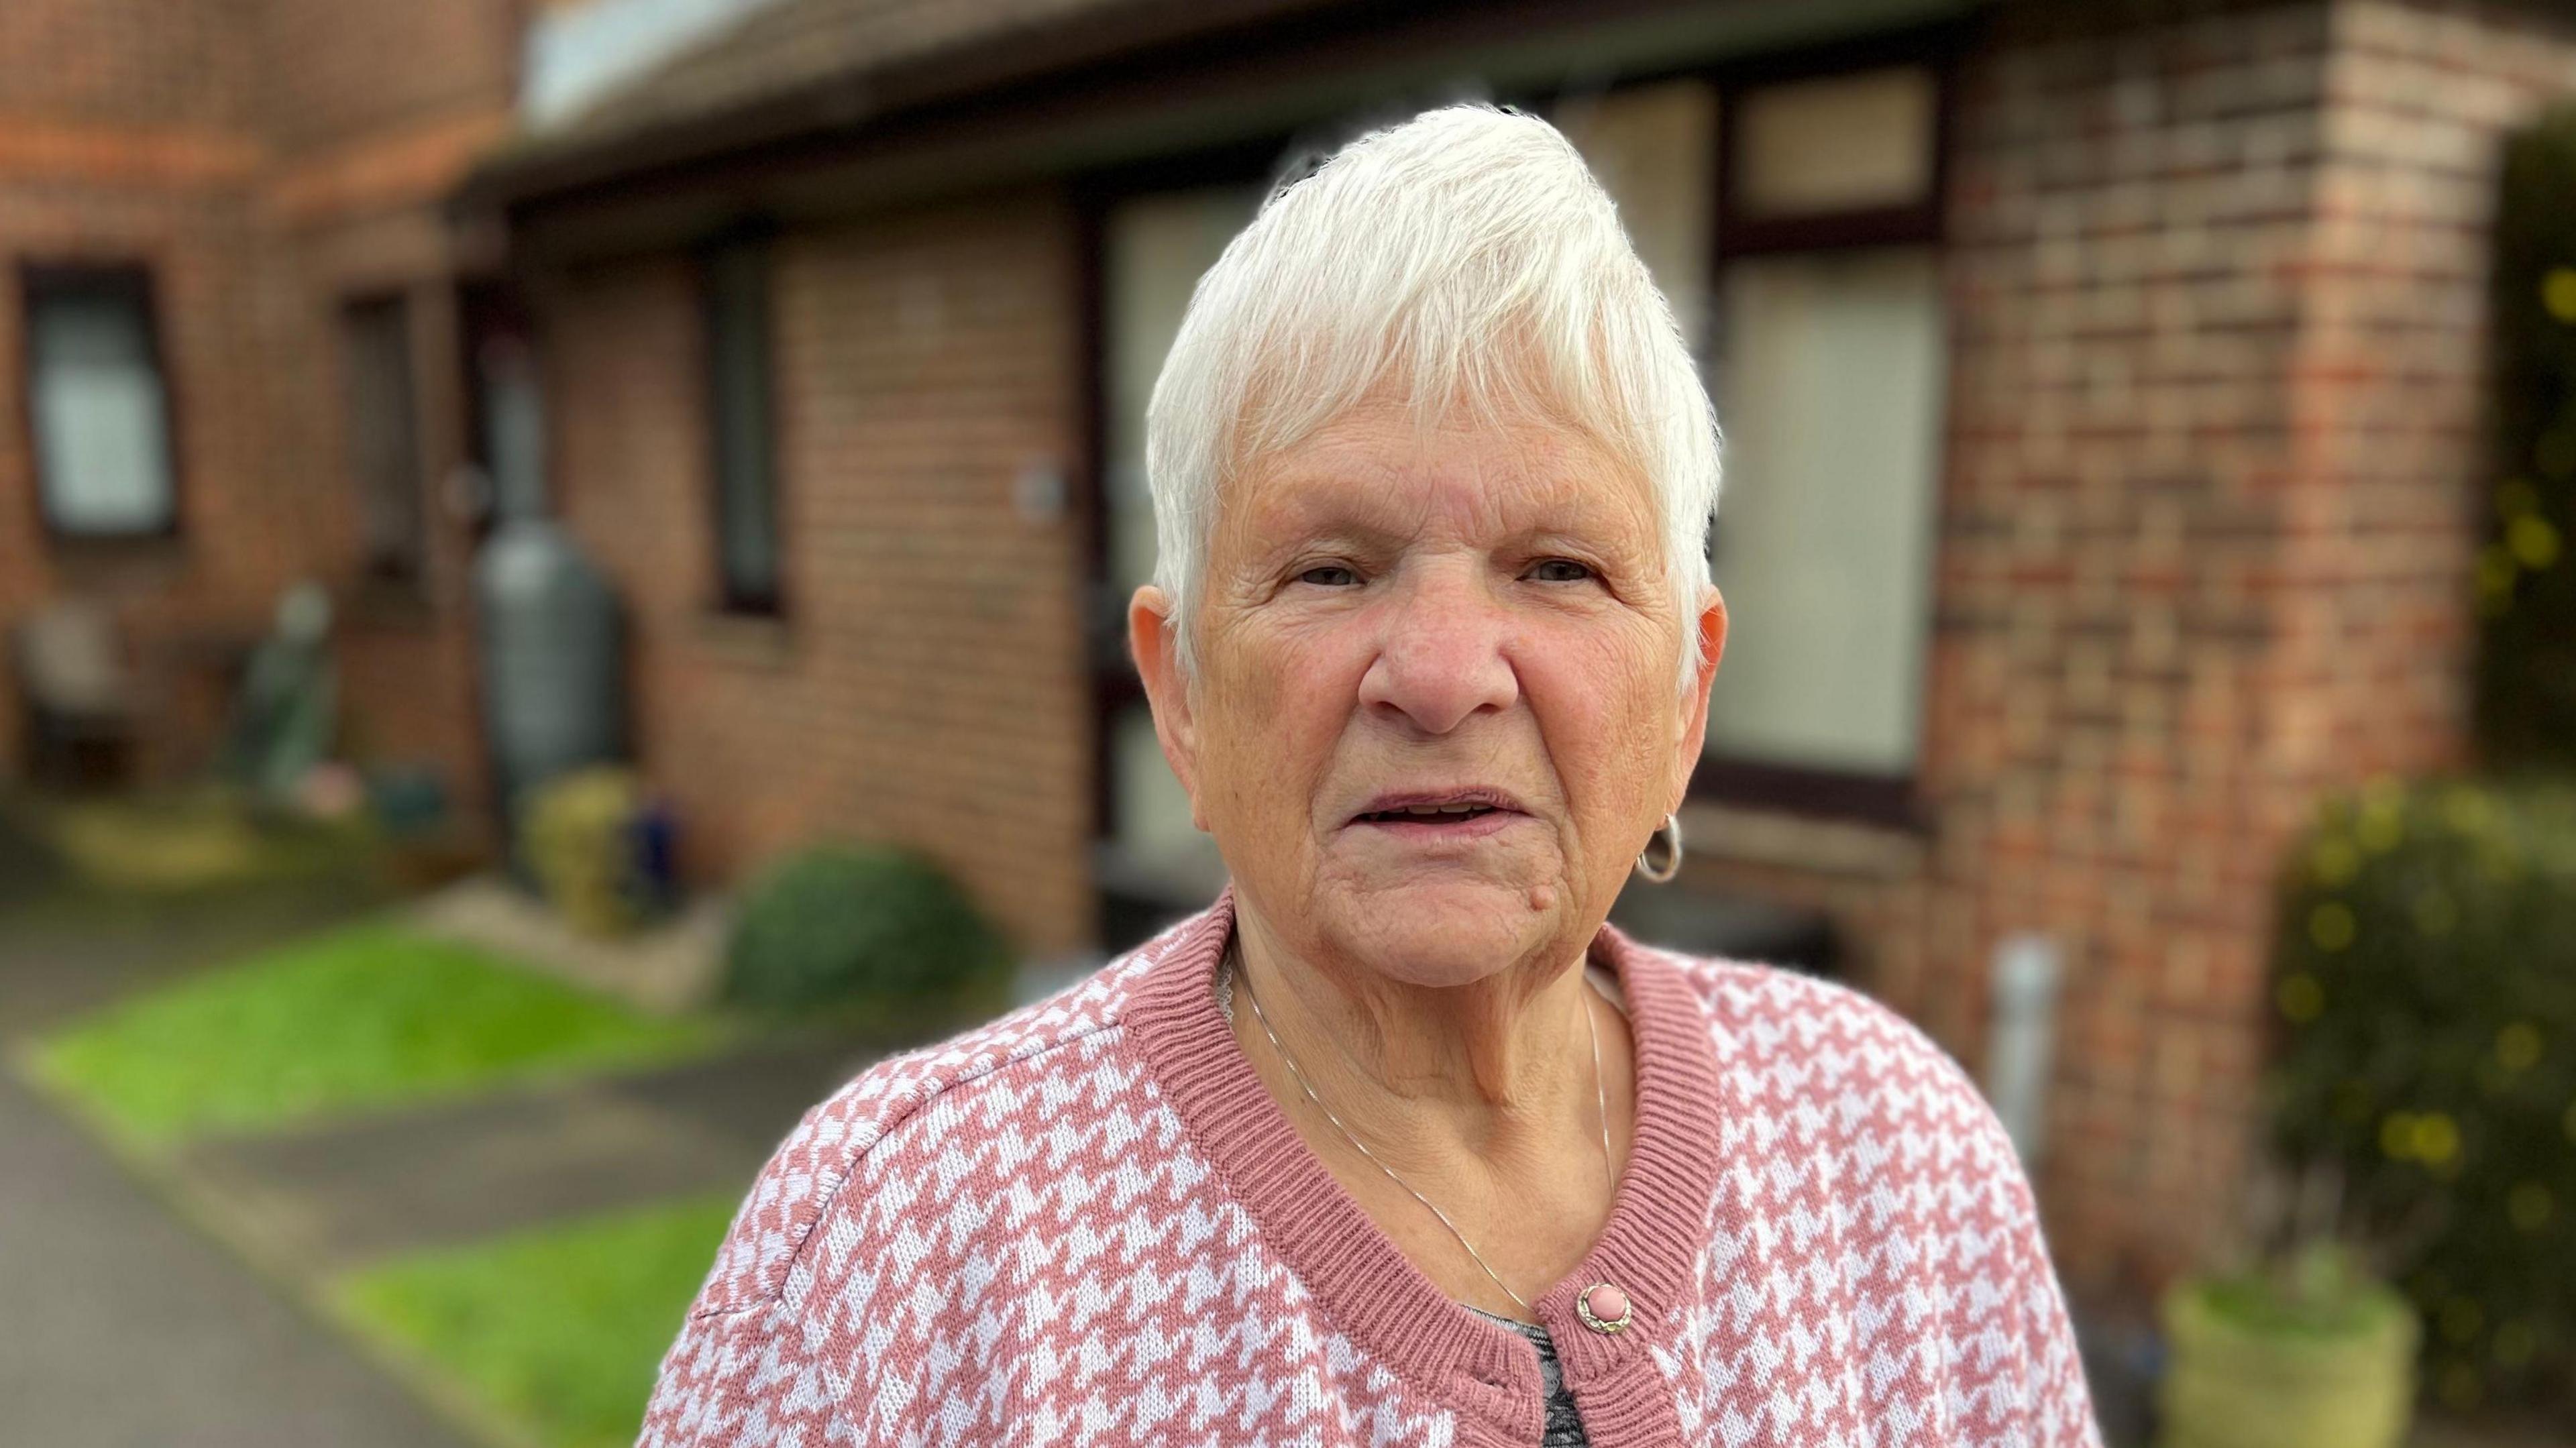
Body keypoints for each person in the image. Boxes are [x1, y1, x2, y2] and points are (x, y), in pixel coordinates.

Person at [640, 104, 2100, 1447]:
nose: (1445, 671)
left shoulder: (1899, 1157)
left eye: (1561, 567)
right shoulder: (904, 1246)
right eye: (1331, 568)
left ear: (1687, 696)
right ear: (1183, 693)